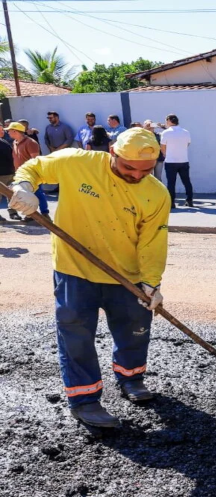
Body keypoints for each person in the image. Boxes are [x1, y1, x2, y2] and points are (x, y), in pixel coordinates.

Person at [8, 128, 170, 428]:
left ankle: (131, 378)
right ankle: (85, 399)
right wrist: (25, 187)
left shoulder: (157, 193)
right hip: (74, 271)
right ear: (112, 152)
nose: (136, 175)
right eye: (128, 167)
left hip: (127, 277)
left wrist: (151, 283)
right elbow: (35, 167)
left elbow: (153, 240)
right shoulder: (77, 162)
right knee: (76, 335)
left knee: (135, 329)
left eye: (145, 170)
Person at [6, 121, 49, 222]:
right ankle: (30, 216)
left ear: (15, 131)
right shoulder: (15, 142)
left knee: (38, 193)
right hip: (20, 174)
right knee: (25, 195)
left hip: (31, 174)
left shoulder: (31, 143)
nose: (8, 133)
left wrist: (36, 174)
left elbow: (36, 160)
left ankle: (45, 214)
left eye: (9, 131)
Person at [160, 114, 193, 208]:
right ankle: (189, 200)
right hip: (183, 160)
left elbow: (162, 147)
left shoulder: (166, 133)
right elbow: (188, 144)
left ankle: (171, 202)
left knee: (171, 183)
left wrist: (166, 154)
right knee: (186, 181)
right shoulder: (186, 132)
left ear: (169, 121)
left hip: (170, 161)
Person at [0, 138, 13, 222]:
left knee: (11, 194)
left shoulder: (4, 142)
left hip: (6, 173)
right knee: (10, 194)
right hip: (6, 172)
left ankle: (13, 212)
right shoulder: (4, 142)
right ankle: (13, 212)